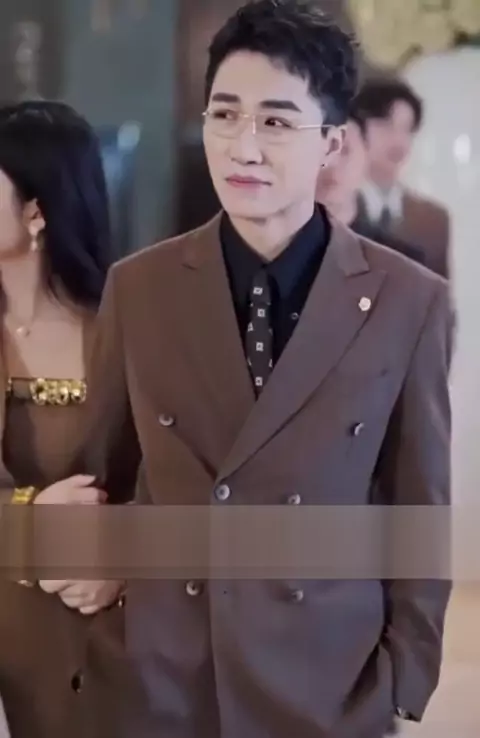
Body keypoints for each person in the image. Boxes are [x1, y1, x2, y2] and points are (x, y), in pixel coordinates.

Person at [55, 1, 452, 736]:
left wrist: (405, 677)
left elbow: (419, 505)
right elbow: (102, 475)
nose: (243, 146)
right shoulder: (139, 288)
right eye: (225, 115)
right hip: (160, 678)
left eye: (275, 121)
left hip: (327, 682)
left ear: (331, 142)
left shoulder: (408, 300)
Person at [0, 101, 127, 738]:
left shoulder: (134, 334)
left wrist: (128, 559)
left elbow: (193, 486)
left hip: (104, 649)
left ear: (37, 210)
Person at [353, 78, 450, 278]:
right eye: (386, 126)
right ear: (357, 128)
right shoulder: (334, 208)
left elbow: (440, 292)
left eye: (407, 129)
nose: (398, 141)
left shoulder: (434, 220)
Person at [316, 114, 425, 265]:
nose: (331, 163)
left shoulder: (401, 262)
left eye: (344, 150)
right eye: (321, 150)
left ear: (366, 155)